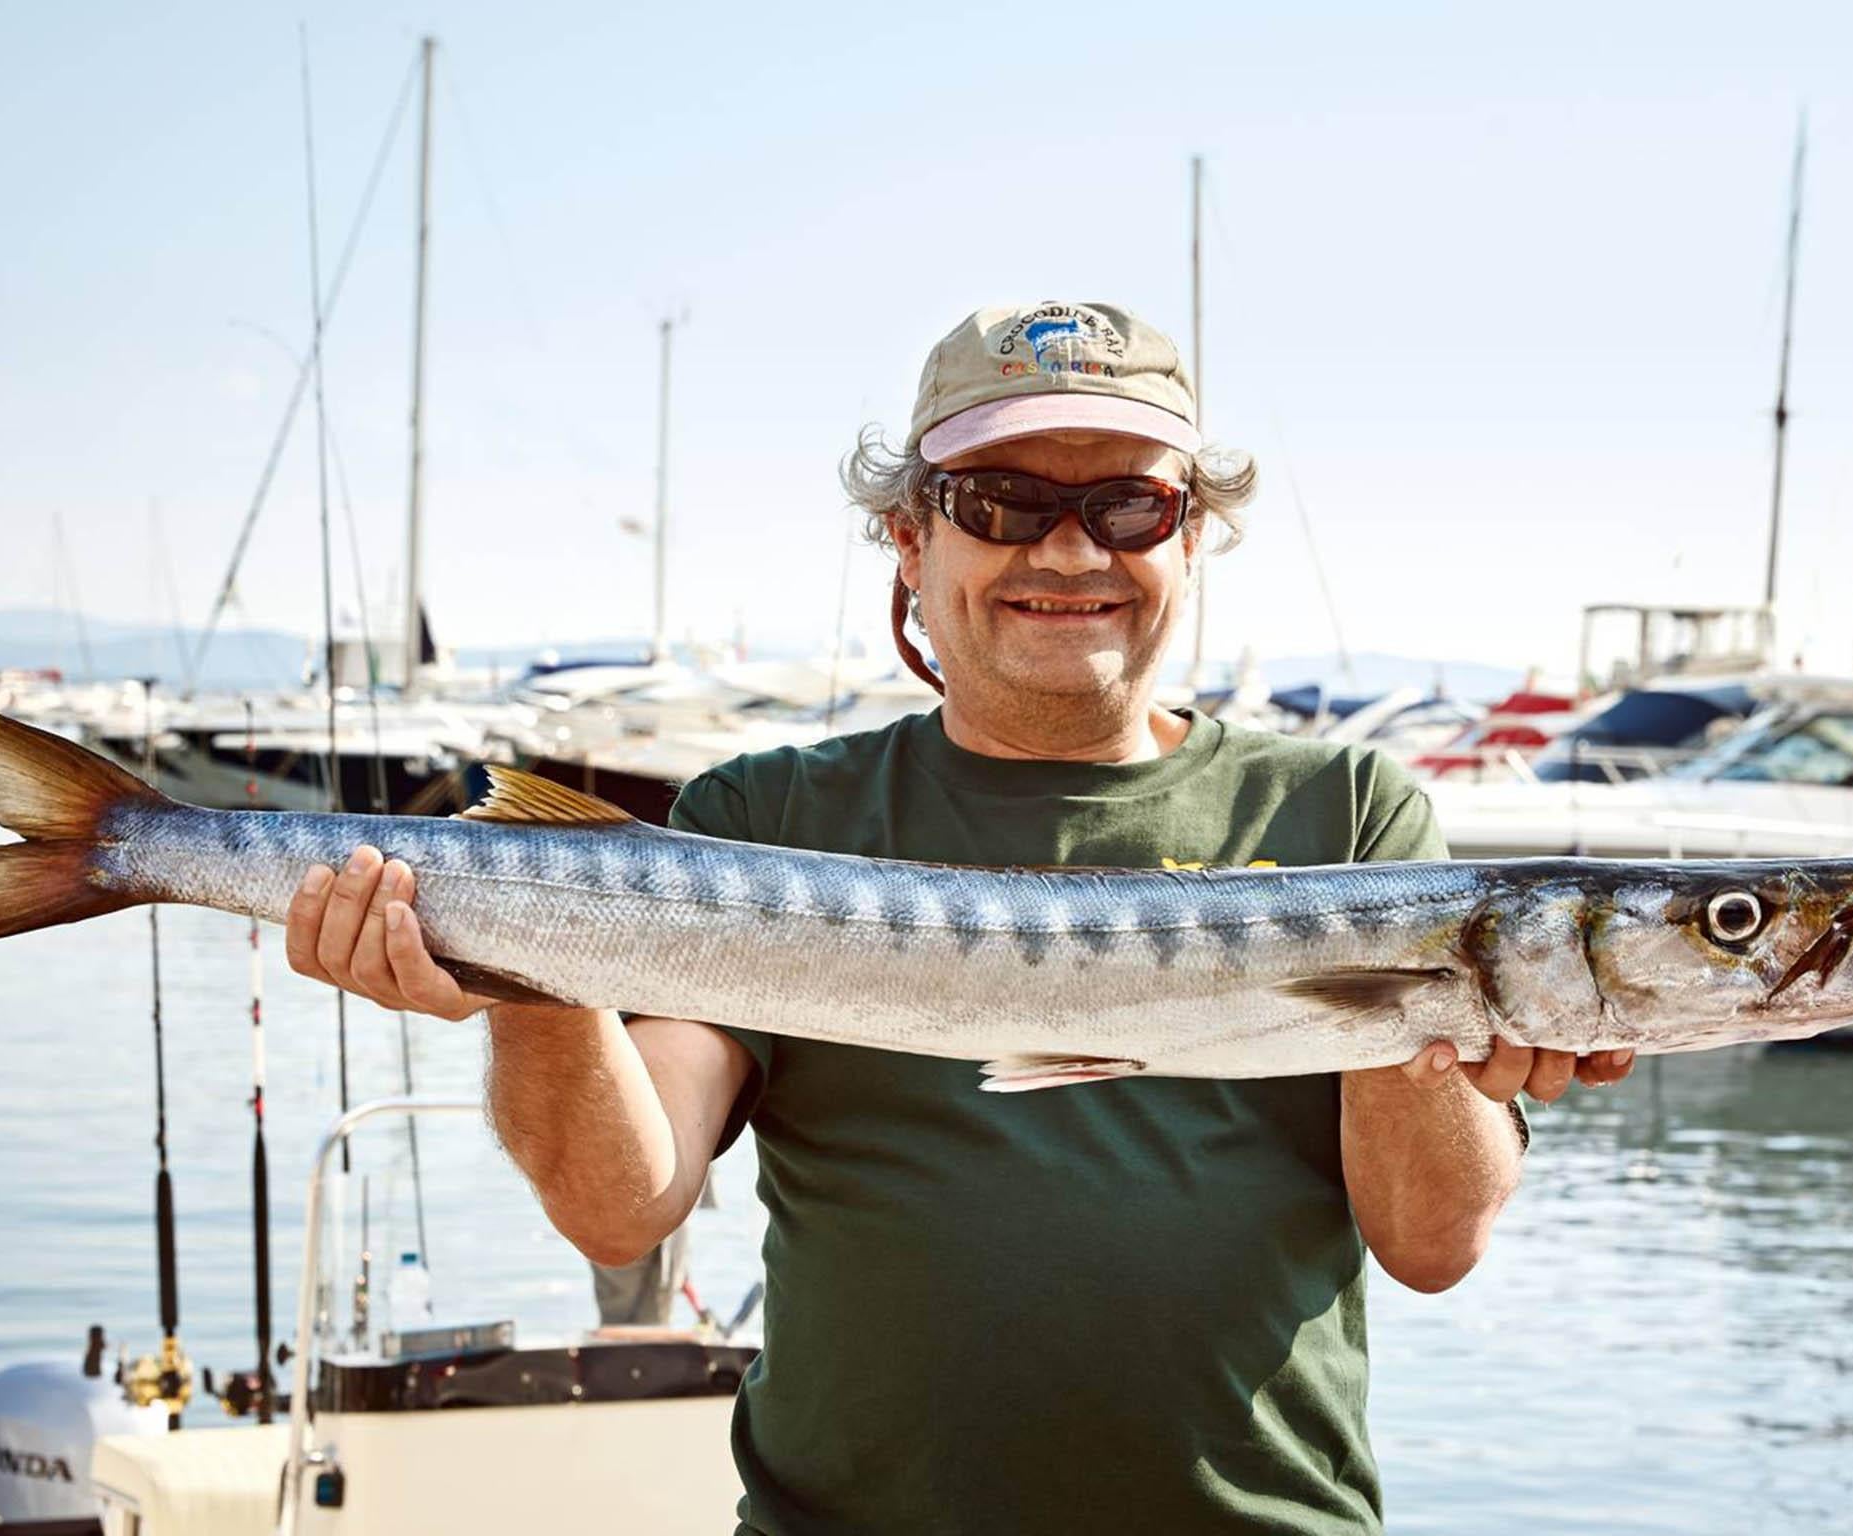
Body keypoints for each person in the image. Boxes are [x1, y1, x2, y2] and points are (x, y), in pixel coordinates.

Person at [284, 299, 1635, 1533]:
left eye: (1128, 507)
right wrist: (534, 971)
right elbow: (620, 1207)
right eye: (998, 499)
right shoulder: (767, 812)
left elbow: (1432, 1245)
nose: (1065, 549)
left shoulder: (1347, 812)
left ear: (1190, 536)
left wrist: (1440, 1030)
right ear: (910, 534)